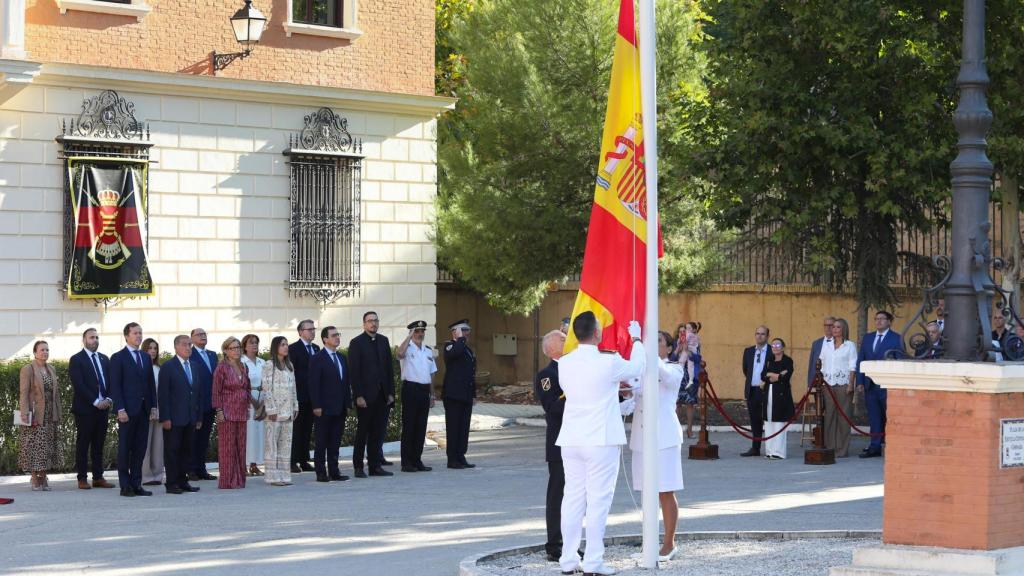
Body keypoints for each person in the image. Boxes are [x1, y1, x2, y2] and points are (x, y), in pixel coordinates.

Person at [557, 312, 645, 576]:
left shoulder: (565, 362)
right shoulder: (609, 361)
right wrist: (637, 339)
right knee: (598, 501)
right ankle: (593, 561)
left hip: (572, 439)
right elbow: (637, 367)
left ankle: (568, 560)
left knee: (572, 498)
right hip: (600, 440)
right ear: (596, 333)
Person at [629, 330, 684, 561]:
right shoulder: (642, 368)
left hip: (664, 438)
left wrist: (645, 349)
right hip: (642, 437)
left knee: (665, 490)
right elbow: (632, 397)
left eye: (658, 341)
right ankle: (649, 543)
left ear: (669, 348)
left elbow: (666, 376)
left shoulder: (674, 368)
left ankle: (669, 544)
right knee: (646, 493)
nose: (652, 344)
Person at [110, 323, 157, 497]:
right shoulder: (118, 357)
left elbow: (150, 384)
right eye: (135, 333)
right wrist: (120, 408)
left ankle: (137, 484)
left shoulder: (145, 357)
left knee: (140, 448)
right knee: (125, 449)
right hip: (127, 411)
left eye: (140, 333)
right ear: (126, 336)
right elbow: (115, 385)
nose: (139, 336)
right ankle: (125, 486)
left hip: (143, 410)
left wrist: (153, 406)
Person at [348, 311, 395, 478]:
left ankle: (375, 466)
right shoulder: (356, 343)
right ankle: (358, 467)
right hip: (366, 397)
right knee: (362, 433)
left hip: (382, 396)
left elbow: (389, 369)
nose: (373, 323)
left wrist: (391, 393)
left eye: (376, 320)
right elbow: (354, 372)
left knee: (378, 433)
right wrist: (358, 395)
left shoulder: (384, 341)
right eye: (370, 321)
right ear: (364, 324)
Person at [533, 329, 566, 562]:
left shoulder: (574, 369)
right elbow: (552, 407)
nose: (568, 340)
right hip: (558, 443)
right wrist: (576, 396)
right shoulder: (548, 374)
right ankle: (555, 545)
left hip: (577, 442)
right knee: (557, 496)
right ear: (552, 347)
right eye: (563, 339)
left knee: (574, 496)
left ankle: (571, 543)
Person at [68, 328, 115, 490]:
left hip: (103, 409)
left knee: (98, 445)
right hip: (85, 410)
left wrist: (108, 399)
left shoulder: (104, 359)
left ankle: (98, 477)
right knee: (83, 444)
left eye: (96, 337)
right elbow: (79, 385)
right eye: (91, 337)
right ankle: (82, 478)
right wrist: (96, 401)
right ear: (84, 340)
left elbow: (111, 381)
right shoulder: (77, 359)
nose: (95, 340)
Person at [158, 335, 202, 495]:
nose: (188, 347)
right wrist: (165, 417)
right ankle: (172, 483)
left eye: (190, 344)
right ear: (176, 347)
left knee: (187, 451)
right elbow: (163, 394)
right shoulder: (168, 366)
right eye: (184, 344)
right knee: (172, 451)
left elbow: (198, 393)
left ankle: (183, 482)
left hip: (190, 417)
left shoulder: (195, 366)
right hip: (173, 418)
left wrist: (198, 417)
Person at [857, 310, 903, 458]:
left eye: (882, 319)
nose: (878, 321)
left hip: (887, 385)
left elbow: (900, 361)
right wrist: (860, 381)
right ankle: (875, 446)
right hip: (870, 384)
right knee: (874, 417)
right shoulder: (868, 338)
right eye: (876, 319)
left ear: (889, 321)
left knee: (890, 416)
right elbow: (861, 359)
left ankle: (892, 445)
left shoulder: (896, 338)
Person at [18, 341, 63, 491]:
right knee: (34, 445)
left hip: (49, 413)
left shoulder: (51, 368)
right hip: (35, 413)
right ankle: (34, 477)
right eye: (42, 350)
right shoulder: (28, 369)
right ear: (35, 352)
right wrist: (24, 413)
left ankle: (43, 476)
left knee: (47, 445)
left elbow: (55, 394)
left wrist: (58, 412)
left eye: (47, 350)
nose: (45, 352)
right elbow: (24, 393)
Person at [308, 326, 351, 483]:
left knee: (335, 441)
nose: (337, 337)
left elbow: (345, 382)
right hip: (324, 408)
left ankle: (334, 471)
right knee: (322, 441)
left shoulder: (341, 357)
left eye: (338, 335)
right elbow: (314, 384)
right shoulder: (317, 358)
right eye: (333, 335)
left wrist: (347, 403)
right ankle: (320, 472)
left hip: (340, 407)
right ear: (325, 339)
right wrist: (316, 405)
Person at [398, 320, 438, 472]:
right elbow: (399, 354)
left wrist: (432, 395)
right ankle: (406, 462)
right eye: (417, 331)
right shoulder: (407, 348)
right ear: (411, 333)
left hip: (424, 390)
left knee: (421, 427)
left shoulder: (427, 350)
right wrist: (408, 337)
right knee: (409, 426)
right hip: (410, 389)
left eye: (422, 331)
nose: (420, 334)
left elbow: (431, 373)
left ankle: (417, 460)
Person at [213, 337, 251, 489]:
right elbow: (216, 391)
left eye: (238, 347)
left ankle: (239, 479)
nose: (236, 350)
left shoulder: (243, 366)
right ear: (225, 351)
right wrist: (219, 410)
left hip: (241, 411)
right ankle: (227, 480)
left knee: (241, 446)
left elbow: (247, 387)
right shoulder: (221, 368)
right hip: (227, 412)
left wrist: (248, 406)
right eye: (232, 348)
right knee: (227, 448)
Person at [262, 336, 298, 486]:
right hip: (274, 413)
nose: (286, 347)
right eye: (282, 344)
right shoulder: (269, 365)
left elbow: (294, 387)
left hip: (288, 412)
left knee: (286, 445)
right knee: (272, 445)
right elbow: (266, 388)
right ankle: (273, 477)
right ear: (275, 347)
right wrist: (271, 409)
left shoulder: (290, 365)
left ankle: (284, 476)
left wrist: (295, 406)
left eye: (286, 344)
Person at [820, 318, 858, 457]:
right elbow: (821, 363)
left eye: (838, 327)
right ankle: (830, 447)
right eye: (834, 327)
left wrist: (851, 384)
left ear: (844, 329)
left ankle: (842, 449)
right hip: (828, 385)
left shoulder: (850, 345)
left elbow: (852, 366)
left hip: (843, 385)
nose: (834, 329)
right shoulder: (827, 345)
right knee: (829, 416)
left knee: (843, 417)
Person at [443, 319, 477, 469]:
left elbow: (471, 373)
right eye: (463, 330)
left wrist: (473, 394)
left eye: (467, 330)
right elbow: (455, 353)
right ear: (455, 332)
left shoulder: (467, 349)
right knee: (453, 427)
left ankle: (461, 455)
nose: (467, 333)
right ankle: (452, 459)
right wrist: (460, 339)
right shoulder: (449, 346)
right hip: (453, 395)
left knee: (463, 428)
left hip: (466, 394)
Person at [289, 319, 319, 474]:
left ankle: (304, 460)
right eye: (309, 329)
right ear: (300, 332)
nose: (312, 332)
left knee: (308, 429)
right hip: (299, 395)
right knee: (297, 429)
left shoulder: (316, 348)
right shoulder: (293, 349)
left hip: (313, 396)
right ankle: (292, 461)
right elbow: (291, 373)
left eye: (313, 329)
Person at [189, 328, 219, 481]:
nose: (203, 336)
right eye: (199, 334)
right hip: (196, 403)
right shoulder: (190, 354)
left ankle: (201, 469)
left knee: (204, 439)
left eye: (204, 334)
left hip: (211, 402)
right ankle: (191, 469)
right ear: (192, 338)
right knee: (193, 438)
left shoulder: (212, 355)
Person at [761, 337, 795, 460]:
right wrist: (775, 375)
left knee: (779, 423)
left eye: (778, 345)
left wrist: (773, 375)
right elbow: (763, 375)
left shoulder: (787, 361)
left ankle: (778, 452)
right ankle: (769, 451)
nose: (775, 347)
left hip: (781, 395)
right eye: (773, 345)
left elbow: (785, 376)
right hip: (768, 393)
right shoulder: (769, 360)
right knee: (769, 422)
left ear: (783, 347)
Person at [740, 326, 770, 457]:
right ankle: (755, 448)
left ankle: (772, 448)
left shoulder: (772, 351)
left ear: (767, 336)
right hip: (752, 390)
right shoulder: (748, 351)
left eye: (763, 334)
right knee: (755, 420)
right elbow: (746, 370)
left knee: (769, 419)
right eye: (757, 333)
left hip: (767, 390)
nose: (759, 336)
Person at [140, 338, 165, 486]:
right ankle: (146, 476)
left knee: (158, 444)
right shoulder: (141, 367)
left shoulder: (160, 368)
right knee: (146, 444)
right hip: (146, 410)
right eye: (150, 348)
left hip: (160, 410)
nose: (153, 351)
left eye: (155, 348)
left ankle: (157, 475)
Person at [241, 334, 266, 477]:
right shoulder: (242, 362)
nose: (254, 345)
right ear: (245, 346)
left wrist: (262, 403)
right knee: (248, 434)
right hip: (247, 402)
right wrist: (253, 402)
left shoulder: (263, 362)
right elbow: (242, 385)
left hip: (262, 399)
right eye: (251, 343)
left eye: (256, 342)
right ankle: (243, 465)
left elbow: (267, 382)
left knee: (258, 433)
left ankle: (254, 464)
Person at [807, 317, 835, 388]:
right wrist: (810, 385)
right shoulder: (816, 343)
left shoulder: (840, 343)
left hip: (835, 383)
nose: (828, 327)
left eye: (830, 325)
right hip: (819, 383)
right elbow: (812, 364)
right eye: (826, 325)